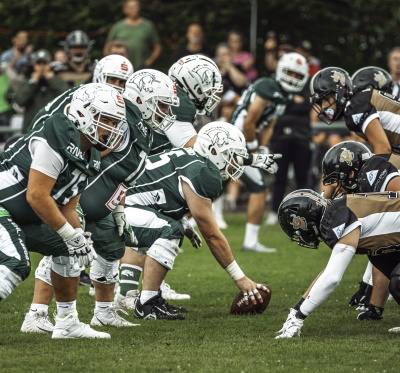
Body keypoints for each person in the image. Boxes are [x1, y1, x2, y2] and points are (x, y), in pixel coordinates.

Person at [20, 67, 182, 331]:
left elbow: (122, 176)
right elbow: (83, 159)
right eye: (162, 105)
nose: (166, 113)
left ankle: (104, 312)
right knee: (61, 251)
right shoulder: (120, 120)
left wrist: (118, 208)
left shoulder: (143, 130)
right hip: (78, 203)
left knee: (112, 247)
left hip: (103, 206)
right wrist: (68, 202)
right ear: (142, 100)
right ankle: (36, 314)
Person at [0, 83, 128, 339]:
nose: (112, 129)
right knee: (17, 263)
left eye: (115, 123)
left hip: (18, 214)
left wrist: (78, 238)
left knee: (69, 250)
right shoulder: (57, 132)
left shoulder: (89, 154)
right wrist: (70, 234)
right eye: (107, 120)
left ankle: (67, 323)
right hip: (3, 207)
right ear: (84, 113)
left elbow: (69, 206)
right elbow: (36, 195)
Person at [122, 122, 269, 320]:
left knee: (172, 228)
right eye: (230, 155)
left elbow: (156, 197)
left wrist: (183, 222)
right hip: (118, 208)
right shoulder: (201, 171)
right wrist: (240, 278)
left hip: (121, 203)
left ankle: (143, 299)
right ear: (214, 150)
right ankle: (147, 303)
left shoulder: (191, 159)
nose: (234, 162)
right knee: (170, 231)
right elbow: (212, 235)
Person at [276, 188, 400, 338]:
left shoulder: (340, 215)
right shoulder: (340, 208)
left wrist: (299, 317)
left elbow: (332, 277)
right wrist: (296, 310)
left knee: (398, 281)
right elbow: (328, 272)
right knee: (380, 258)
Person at [230, 52, 309, 252]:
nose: (293, 78)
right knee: (258, 187)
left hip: (244, 141)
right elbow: (249, 122)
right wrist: (256, 149)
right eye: (290, 73)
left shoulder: (284, 95)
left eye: (298, 75)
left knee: (210, 188)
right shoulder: (268, 86)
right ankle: (250, 242)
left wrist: (263, 147)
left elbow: (269, 125)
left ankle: (251, 241)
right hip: (235, 139)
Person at [310, 66, 396, 155]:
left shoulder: (356, 105)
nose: (323, 106)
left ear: (342, 90)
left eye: (326, 99)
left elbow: (383, 149)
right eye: (320, 102)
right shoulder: (356, 104)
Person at [14, 49, 69, 133]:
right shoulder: (28, 81)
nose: (42, 67)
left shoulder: (57, 80)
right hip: (31, 129)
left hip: (54, 130)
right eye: (38, 64)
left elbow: (67, 98)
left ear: (50, 64)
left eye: (45, 63)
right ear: (34, 65)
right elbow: (19, 101)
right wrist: (33, 82)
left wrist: (52, 80)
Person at [104, 0, 162, 70]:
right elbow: (107, 48)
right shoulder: (118, 27)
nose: (135, 9)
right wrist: (113, 62)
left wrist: (149, 61)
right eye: (131, 7)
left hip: (142, 67)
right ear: (125, 10)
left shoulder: (148, 26)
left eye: (136, 6)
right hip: (122, 68)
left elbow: (157, 47)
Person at [214, 43, 247, 122]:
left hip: (235, 105)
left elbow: (242, 82)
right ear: (217, 57)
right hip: (217, 107)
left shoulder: (237, 67)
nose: (224, 57)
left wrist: (230, 67)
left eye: (227, 54)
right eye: (222, 55)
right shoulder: (212, 69)